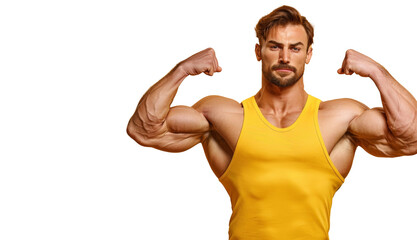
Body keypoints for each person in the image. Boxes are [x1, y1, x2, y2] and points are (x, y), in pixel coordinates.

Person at [127, 5, 417, 240]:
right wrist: (181, 70)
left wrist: (377, 72)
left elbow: (410, 136)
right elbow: (143, 128)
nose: (284, 57)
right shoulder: (223, 117)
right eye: (275, 46)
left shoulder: (339, 119)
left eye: (295, 48)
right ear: (258, 52)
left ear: (308, 55)